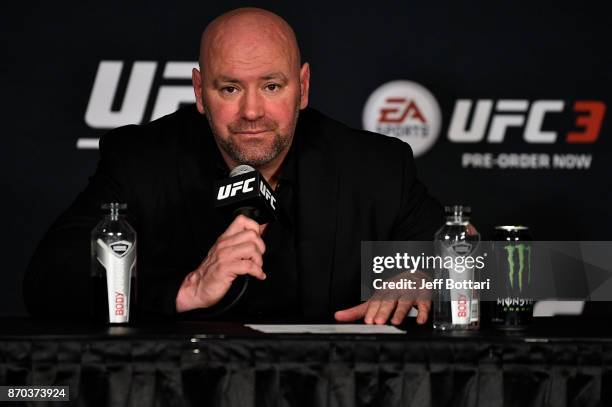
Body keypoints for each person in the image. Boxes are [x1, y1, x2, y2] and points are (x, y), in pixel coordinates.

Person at [24, 8, 444, 325]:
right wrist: (186, 289)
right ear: (199, 92)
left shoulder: (375, 166)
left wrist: (427, 273)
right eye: (229, 88)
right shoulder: (142, 160)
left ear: (303, 87)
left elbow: (491, 272)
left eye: (272, 86)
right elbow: (48, 282)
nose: (251, 112)